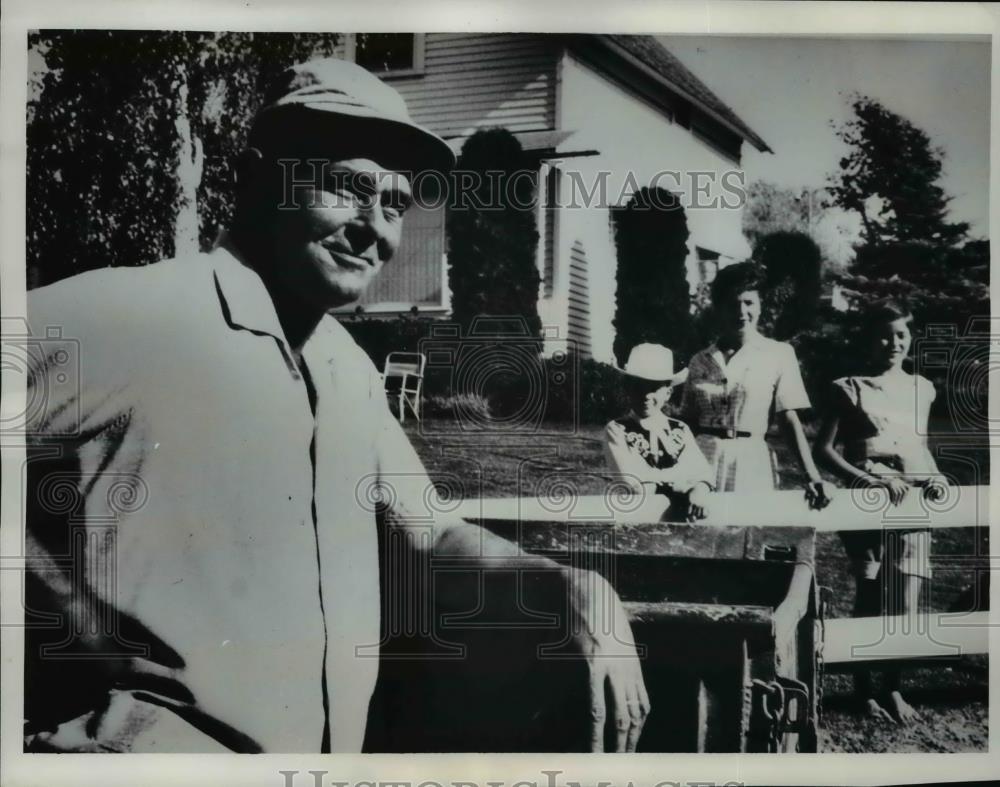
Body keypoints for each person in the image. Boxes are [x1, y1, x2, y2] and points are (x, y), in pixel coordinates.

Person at [22, 58, 648, 753]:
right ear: (259, 178)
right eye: (347, 188)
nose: (373, 228)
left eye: (394, 204)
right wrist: (65, 621)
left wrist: (575, 589)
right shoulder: (139, 316)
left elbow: (432, 536)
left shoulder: (345, 369)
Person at [814, 299, 946, 724]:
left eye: (902, 335)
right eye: (885, 335)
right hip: (869, 503)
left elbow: (918, 446)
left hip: (913, 504)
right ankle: (864, 692)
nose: (894, 343)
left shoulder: (922, 388)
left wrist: (937, 475)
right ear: (870, 340)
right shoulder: (848, 387)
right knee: (870, 598)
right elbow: (824, 450)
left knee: (906, 603)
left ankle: (894, 688)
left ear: (910, 339)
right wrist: (866, 479)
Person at [679, 261, 829, 507]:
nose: (741, 311)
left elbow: (788, 420)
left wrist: (811, 475)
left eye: (749, 302)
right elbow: (687, 423)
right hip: (702, 459)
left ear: (760, 306)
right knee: (700, 537)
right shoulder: (700, 360)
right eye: (732, 304)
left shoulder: (779, 354)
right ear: (718, 308)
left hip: (750, 461)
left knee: (745, 534)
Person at [605, 343, 713, 521]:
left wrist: (699, 490)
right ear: (627, 388)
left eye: (654, 388)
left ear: (668, 392)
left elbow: (703, 473)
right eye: (638, 387)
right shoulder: (617, 429)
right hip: (637, 518)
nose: (646, 395)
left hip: (680, 517)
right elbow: (632, 483)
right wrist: (684, 483)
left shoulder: (680, 429)